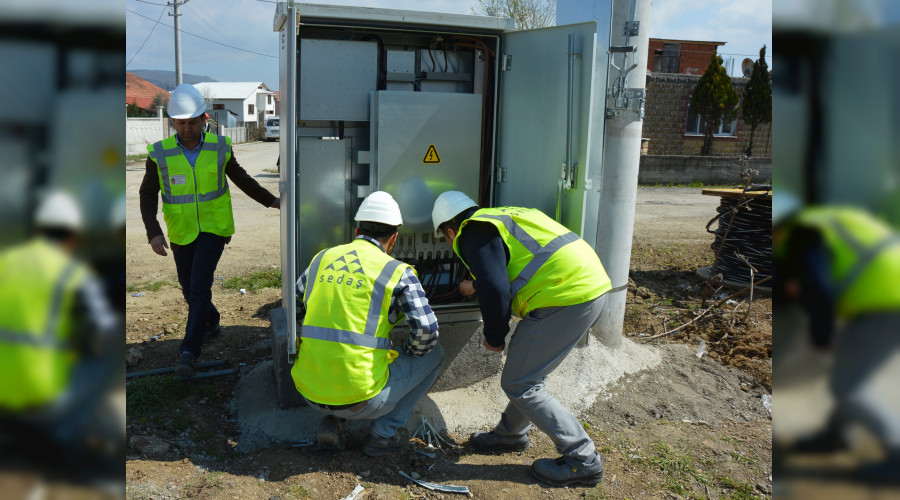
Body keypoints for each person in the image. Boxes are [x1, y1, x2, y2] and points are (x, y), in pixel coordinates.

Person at [431, 191, 611, 486]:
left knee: (519, 382)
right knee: (527, 373)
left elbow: (497, 287)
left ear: (451, 231)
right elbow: (516, 264)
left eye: (447, 240)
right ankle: (510, 435)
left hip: (566, 297)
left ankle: (583, 460)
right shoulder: (502, 217)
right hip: (588, 288)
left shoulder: (470, 232)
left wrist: (495, 336)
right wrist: (477, 284)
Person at [139, 83, 281, 378]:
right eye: (181, 122)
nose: (187, 128)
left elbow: (242, 179)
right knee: (189, 289)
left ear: (204, 119)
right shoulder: (158, 154)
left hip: (214, 229)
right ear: (172, 122)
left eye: (193, 121)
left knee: (199, 286)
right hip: (181, 230)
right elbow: (147, 194)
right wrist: (153, 231)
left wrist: (272, 201)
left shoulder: (220, 147)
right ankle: (212, 320)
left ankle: (189, 352)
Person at [293, 191, 444, 457]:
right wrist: (409, 351)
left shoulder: (321, 259)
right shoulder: (396, 272)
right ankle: (383, 434)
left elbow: (293, 310)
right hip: (363, 400)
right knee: (435, 353)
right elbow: (427, 331)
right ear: (394, 237)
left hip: (307, 390)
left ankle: (333, 421)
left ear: (356, 230)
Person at [773, 192, 900, 480]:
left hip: (887, 303)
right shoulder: (822, 221)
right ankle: (834, 437)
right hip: (885, 295)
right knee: (845, 374)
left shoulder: (804, 236)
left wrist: (821, 337)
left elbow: (819, 289)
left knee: (851, 385)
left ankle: (896, 454)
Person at [0, 190, 121, 474]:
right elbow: (103, 330)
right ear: (72, 237)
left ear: (38, 230)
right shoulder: (73, 273)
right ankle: (65, 431)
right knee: (114, 344)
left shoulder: (5, 260)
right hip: (41, 394)